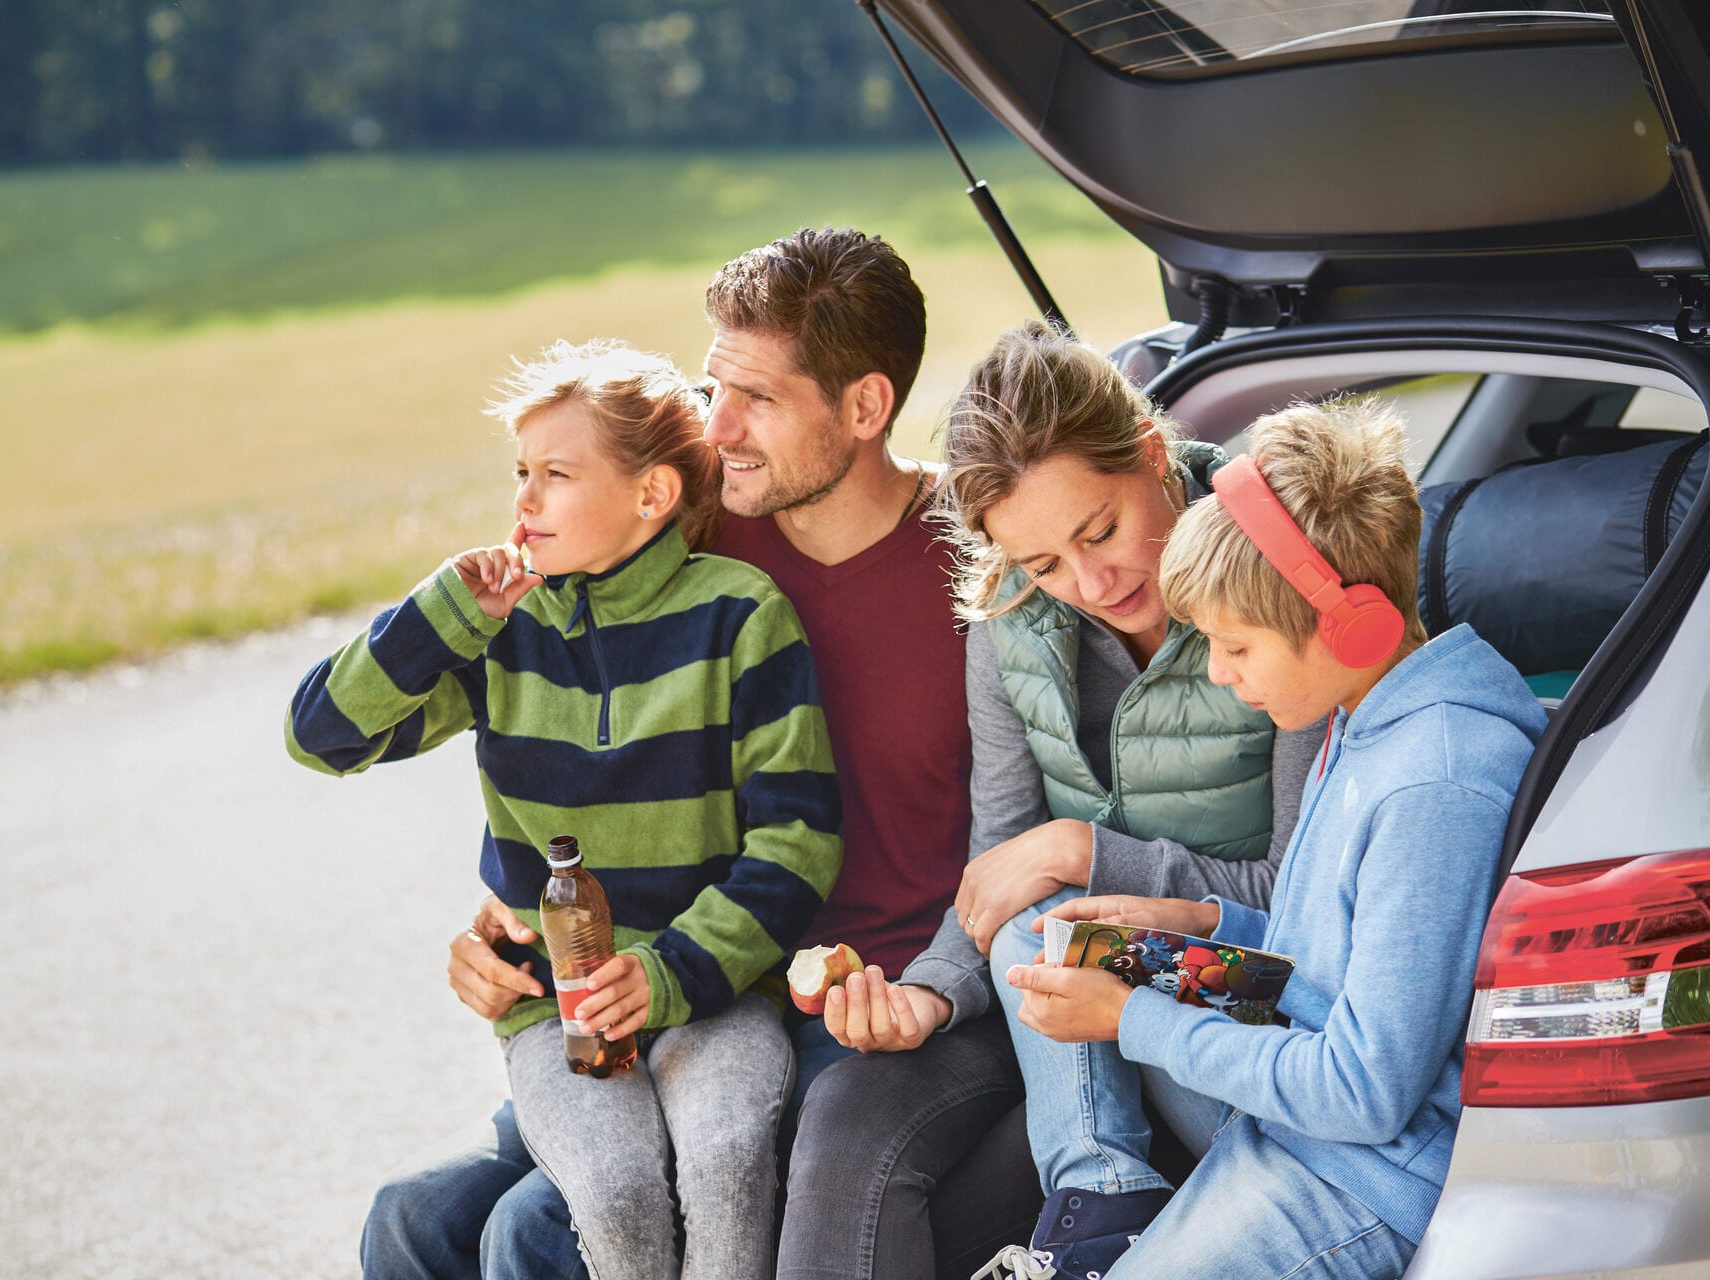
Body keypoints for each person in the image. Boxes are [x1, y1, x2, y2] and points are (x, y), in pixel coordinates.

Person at [360, 228, 980, 1280]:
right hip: (681, 979)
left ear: (866, 408)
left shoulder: (982, 563)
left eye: (758, 399)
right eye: (709, 385)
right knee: (411, 1221)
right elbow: (554, 732)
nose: (715, 426)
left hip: (863, 998)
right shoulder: (688, 544)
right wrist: (507, 914)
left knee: (528, 1235)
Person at [286, 339, 844, 1280]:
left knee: (721, 1154)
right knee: (605, 1189)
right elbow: (322, 736)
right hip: (557, 1013)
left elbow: (796, 842)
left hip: (715, 993)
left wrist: (666, 974)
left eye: (555, 474)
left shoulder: (740, 617)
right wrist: (440, 611)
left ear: (651, 496)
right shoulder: (503, 637)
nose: (524, 502)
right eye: (520, 474)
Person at [776, 321, 1323, 1280]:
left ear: (1154, 457)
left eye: (1100, 530)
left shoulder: (1271, 589)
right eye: (1042, 565)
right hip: (1076, 1002)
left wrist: (1082, 851)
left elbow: (1306, 902)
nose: (1091, 583)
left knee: (1053, 921)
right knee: (850, 1111)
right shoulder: (1008, 626)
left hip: (1251, 1003)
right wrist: (931, 996)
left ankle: (1104, 1204)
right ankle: (1099, 1206)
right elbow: (1001, 868)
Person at [981, 400, 1546, 1280]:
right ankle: (1108, 1211)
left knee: (1108, 986)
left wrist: (1135, 1018)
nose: (1217, 671)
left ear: (1349, 624)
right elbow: (1327, 963)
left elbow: (1364, 1091)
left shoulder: (1433, 779)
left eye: (1235, 646)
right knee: (1054, 935)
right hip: (1292, 1104)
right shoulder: (1359, 717)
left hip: (1352, 1175)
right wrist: (1202, 924)